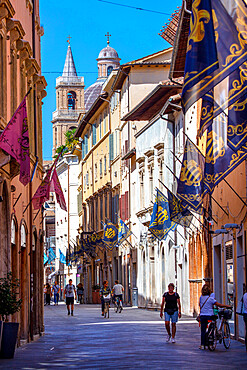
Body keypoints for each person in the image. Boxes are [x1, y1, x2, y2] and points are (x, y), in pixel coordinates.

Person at [198, 284, 231, 350]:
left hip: (202, 316)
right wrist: (227, 306)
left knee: (203, 331)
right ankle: (210, 343)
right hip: (210, 315)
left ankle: (202, 345)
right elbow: (219, 305)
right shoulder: (211, 299)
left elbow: (199, 305)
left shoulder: (201, 298)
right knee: (211, 329)